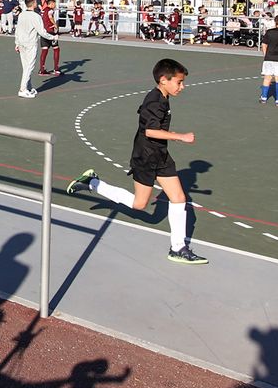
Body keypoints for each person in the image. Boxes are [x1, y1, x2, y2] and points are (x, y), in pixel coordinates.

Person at [67, 59, 208, 265]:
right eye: (179, 82)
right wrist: (180, 136)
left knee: (178, 198)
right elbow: (150, 131)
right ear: (163, 80)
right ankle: (92, 183)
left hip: (161, 155)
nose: (182, 86)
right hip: (145, 157)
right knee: (139, 204)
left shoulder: (163, 97)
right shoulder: (154, 101)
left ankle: (178, 248)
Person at [13, 0, 55, 98]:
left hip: (22, 43)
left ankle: (28, 87)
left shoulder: (22, 14)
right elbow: (42, 32)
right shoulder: (36, 16)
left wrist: (17, 43)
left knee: (26, 67)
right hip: (30, 44)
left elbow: (17, 30)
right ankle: (22, 90)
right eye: (36, 2)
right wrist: (53, 37)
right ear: (34, 4)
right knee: (29, 67)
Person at [40, 0, 62, 74]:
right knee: (56, 49)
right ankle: (56, 69)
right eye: (54, 3)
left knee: (44, 50)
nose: (55, 5)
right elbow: (50, 17)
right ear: (51, 4)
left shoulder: (43, 10)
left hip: (44, 32)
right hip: (50, 31)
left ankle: (41, 69)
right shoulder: (50, 10)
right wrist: (55, 25)